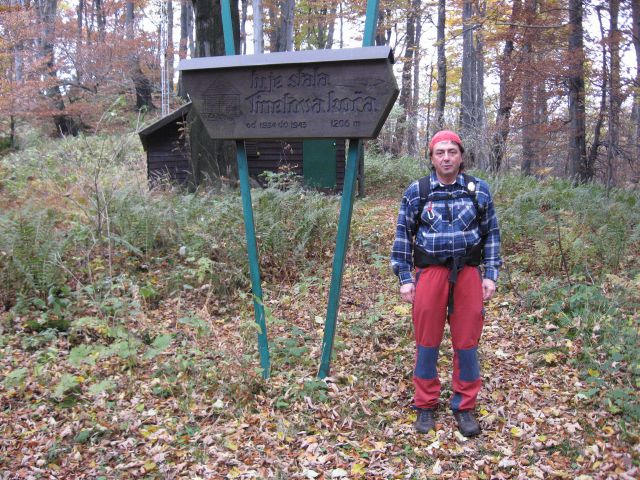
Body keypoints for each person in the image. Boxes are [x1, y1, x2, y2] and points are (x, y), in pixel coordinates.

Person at [390, 130, 502, 437]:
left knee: (466, 342)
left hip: (468, 272)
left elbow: (492, 233)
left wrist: (490, 274)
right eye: (440, 152)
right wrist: (404, 278)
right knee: (427, 341)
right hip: (431, 273)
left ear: (461, 156)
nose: (446, 157)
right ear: (431, 158)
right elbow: (403, 234)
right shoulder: (418, 191)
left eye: (452, 151)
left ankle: (464, 405)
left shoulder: (478, 190)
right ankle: (425, 404)